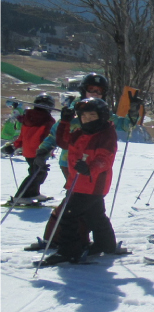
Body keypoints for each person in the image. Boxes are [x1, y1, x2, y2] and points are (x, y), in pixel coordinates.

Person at [26, 74, 112, 253]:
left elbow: (121, 125)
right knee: (79, 204)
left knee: (78, 206)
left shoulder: (102, 112)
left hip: (90, 169)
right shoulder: (75, 111)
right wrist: (42, 151)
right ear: (83, 90)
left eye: (99, 91)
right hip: (68, 164)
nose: (95, 93)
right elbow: (56, 135)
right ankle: (66, 239)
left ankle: (68, 241)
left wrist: (133, 114)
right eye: (91, 89)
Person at [39, 97, 119, 265]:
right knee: (94, 215)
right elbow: (63, 142)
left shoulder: (105, 134)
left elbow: (105, 158)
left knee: (68, 215)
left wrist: (90, 168)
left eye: (92, 116)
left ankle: (69, 251)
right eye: (84, 116)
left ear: (102, 116)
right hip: (79, 182)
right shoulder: (81, 132)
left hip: (92, 184)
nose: (87, 120)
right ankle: (106, 245)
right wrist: (65, 122)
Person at [3, 93, 56, 204]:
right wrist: (47, 149)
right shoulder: (48, 120)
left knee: (37, 172)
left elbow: (23, 135)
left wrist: (15, 146)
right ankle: (20, 196)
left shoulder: (28, 117)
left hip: (28, 151)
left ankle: (33, 193)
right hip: (39, 151)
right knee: (37, 173)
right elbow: (48, 136)